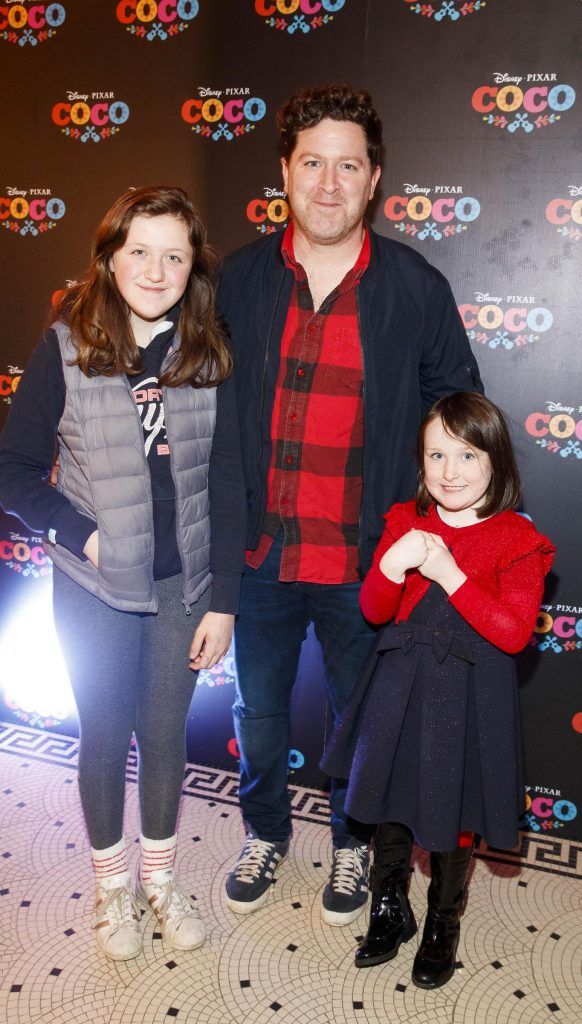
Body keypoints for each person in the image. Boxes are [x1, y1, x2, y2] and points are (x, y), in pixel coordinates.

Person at [217, 83, 484, 925]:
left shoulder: (415, 287)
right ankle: (264, 831)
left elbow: (460, 411)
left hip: (365, 559)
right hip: (259, 555)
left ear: (375, 181)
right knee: (256, 713)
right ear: (284, 173)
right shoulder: (235, 280)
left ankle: (351, 846)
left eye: (349, 166)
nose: (328, 184)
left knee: (361, 719)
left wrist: (438, 535)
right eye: (312, 164)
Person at [0, 186, 246, 961]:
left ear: (191, 269)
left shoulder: (209, 350)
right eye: (139, 249)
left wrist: (224, 604)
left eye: (174, 254)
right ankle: (114, 892)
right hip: (93, 587)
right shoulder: (65, 346)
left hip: (185, 589)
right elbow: (13, 470)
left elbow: (232, 481)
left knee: (165, 737)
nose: (156, 267)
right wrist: (84, 535)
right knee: (105, 736)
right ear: (108, 257)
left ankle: (161, 882)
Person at [321, 391, 555, 986]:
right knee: (388, 801)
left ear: (496, 463)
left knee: (454, 813)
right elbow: (376, 611)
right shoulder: (404, 521)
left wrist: (449, 572)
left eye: (468, 456)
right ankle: (389, 906)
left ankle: (442, 923)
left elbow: (511, 634)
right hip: (398, 687)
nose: (450, 472)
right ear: (421, 462)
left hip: (471, 696)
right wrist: (391, 566)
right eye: (436, 455)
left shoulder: (517, 541)